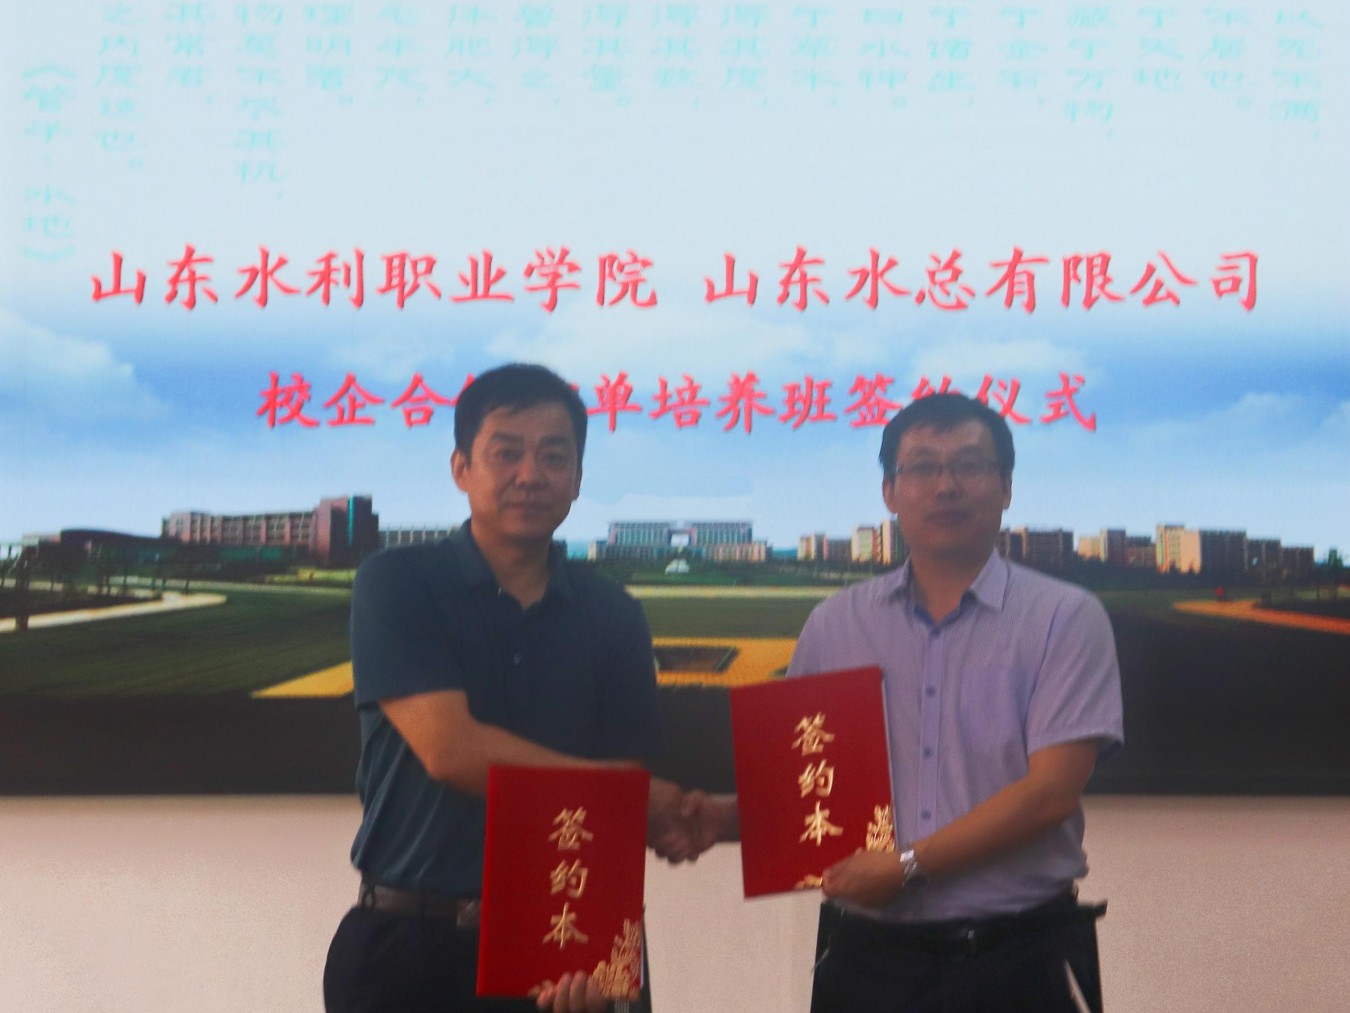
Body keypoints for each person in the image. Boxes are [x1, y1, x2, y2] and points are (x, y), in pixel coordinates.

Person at [689, 392, 1123, 1013]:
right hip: (868, 960)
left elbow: (1050, 794)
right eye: (922, 467)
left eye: (969, 465)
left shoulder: (1065, 618)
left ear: (1006, 486)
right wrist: (717, 819)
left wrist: (907, 866)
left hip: (1020, 956)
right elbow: (804, 794)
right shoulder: (835, 626)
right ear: (890, 492)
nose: (946, 486)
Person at [323, 363, 697, 1013]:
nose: (531, 474)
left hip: (561, 943)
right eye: (506, 453)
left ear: (577, 478)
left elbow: (614, 795)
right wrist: (630, 795)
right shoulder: (398, 582)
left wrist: (593, 946)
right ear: (461, 468)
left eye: (554, 456)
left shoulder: (614, 613)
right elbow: (449, 749)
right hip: (410, 948)